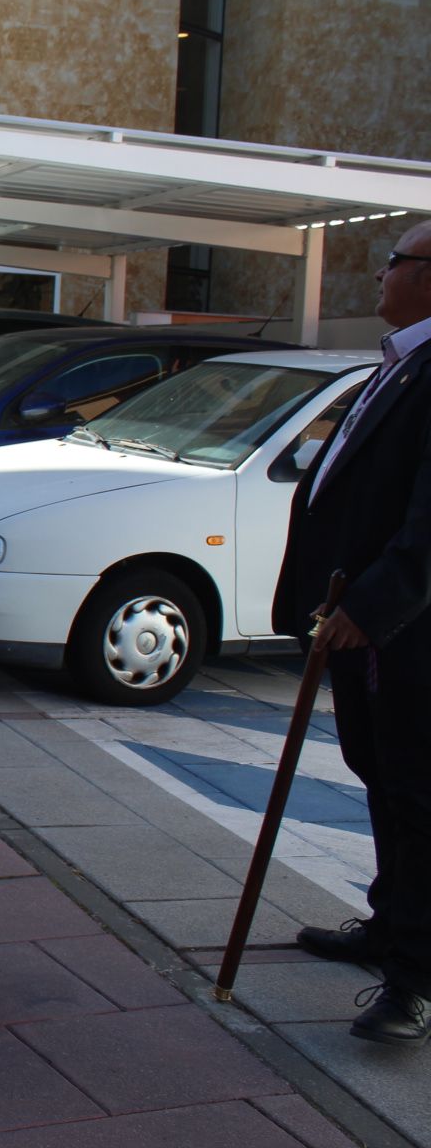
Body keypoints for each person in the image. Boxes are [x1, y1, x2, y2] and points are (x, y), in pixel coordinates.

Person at [274, 221, 431, 1048]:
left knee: (417, 798)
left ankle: (414, 979)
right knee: (381, 780)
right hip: (364, 632)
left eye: (398, 261)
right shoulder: (400, 362)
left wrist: (368, 608)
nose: (383, 271)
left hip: (406, 636)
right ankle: (387, 923)